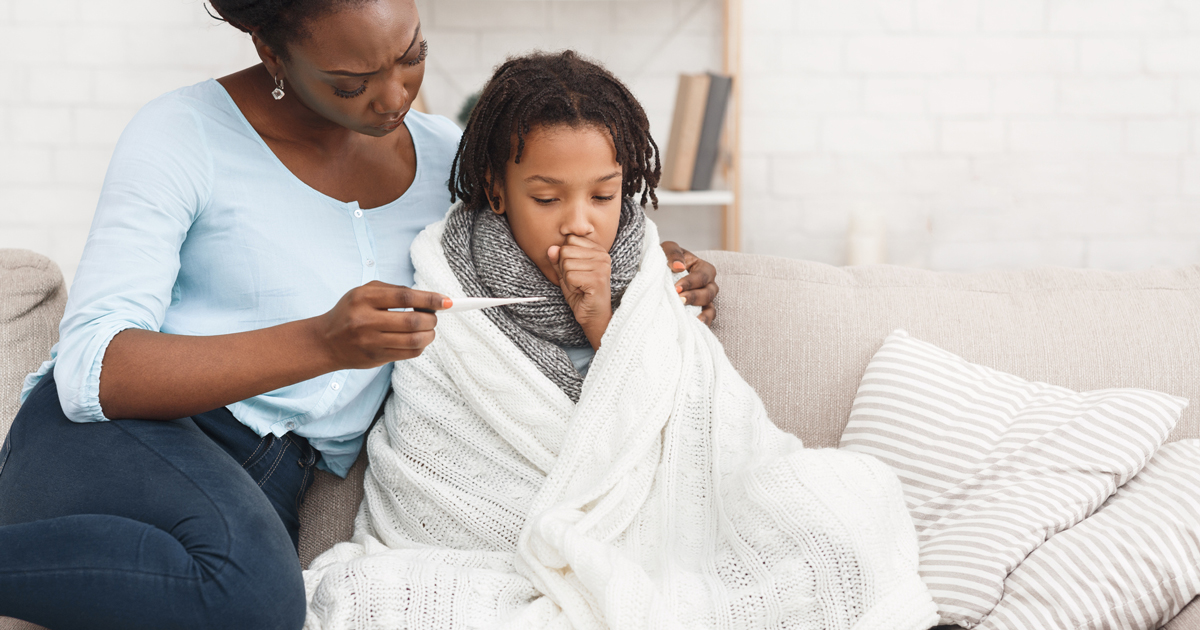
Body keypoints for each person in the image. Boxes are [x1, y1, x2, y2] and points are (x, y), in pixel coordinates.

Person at [0, 1, 718, 628]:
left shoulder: (454, 162)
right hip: (119, 442)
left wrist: (648, 264)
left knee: (246, 594)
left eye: (411, 56)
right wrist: (320, 341)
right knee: (256, 601)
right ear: (272, 52)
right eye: (351, 81)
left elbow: (549, 229)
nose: (393, 96)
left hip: (263, 485)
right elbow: (92, 369)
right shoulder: (182, 134)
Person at [303, 50, 938, 630]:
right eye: (547, 197)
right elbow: (437, 467)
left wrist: (602, 317)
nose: (581, 220)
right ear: (497, 189)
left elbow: (703, 426)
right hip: (501, 550)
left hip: (675, 533)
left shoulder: (657, 275)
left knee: (849, 502)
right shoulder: (445, 282)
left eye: (603, 195)